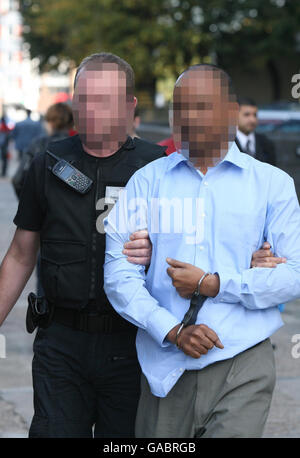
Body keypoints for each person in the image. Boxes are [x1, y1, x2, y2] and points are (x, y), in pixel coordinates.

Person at [104, 64, 300, 438]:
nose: (188, 117)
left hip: (243, 360)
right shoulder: (146, 182)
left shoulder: (272, 185)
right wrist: (173, 330)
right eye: (180, 107)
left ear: (231, 111)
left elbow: (294, 274)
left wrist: (215, 284)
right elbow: (118, 276)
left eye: (201, 106)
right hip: (165, 366)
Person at [0, 52, 166, 438]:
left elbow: (191, 251)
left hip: (133, 345)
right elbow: (21, 255)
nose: (90, 109)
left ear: (129, 106)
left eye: (104, 100)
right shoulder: (47, 163)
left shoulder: (158, 168)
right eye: (84, 97)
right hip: (61, 343)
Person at [12, 103, 74, 200]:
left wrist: (28, 204)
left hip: (41, 207)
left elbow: (18, 180)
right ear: (71, 123)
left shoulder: (38, 144)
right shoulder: (80, 145)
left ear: (50, 122)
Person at [235, 97, 277, 166]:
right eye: (247, 115)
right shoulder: (226, 143)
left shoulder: (266, 143)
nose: (253, 120)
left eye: (255, 115)